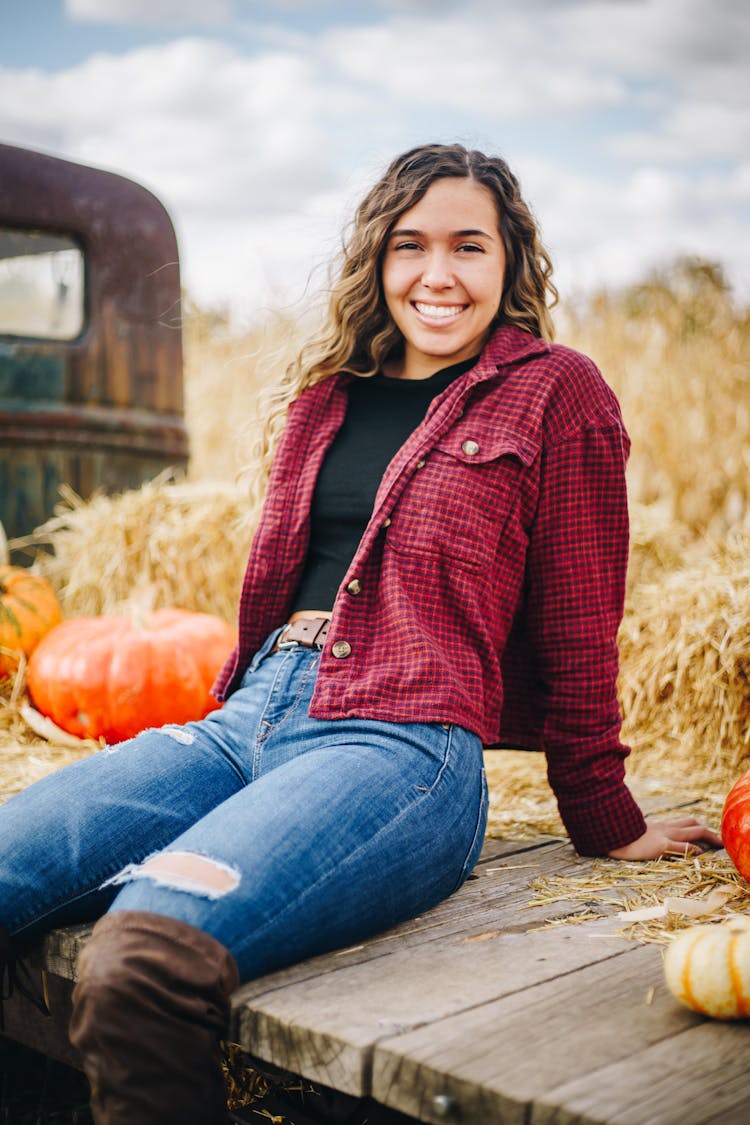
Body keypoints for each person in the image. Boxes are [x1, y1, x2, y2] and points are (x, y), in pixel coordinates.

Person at [0, 143, 721, 1125]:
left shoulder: (558, 392)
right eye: (411, 245)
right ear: (378, 260)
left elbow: (582, 614)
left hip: (398, 748)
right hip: (241, 723)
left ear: (510, 259)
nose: (438, 274)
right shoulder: (324, 398)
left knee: (144, 957)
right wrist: (227, 720)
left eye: (469, 246)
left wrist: (604, 814)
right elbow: (276, 588)